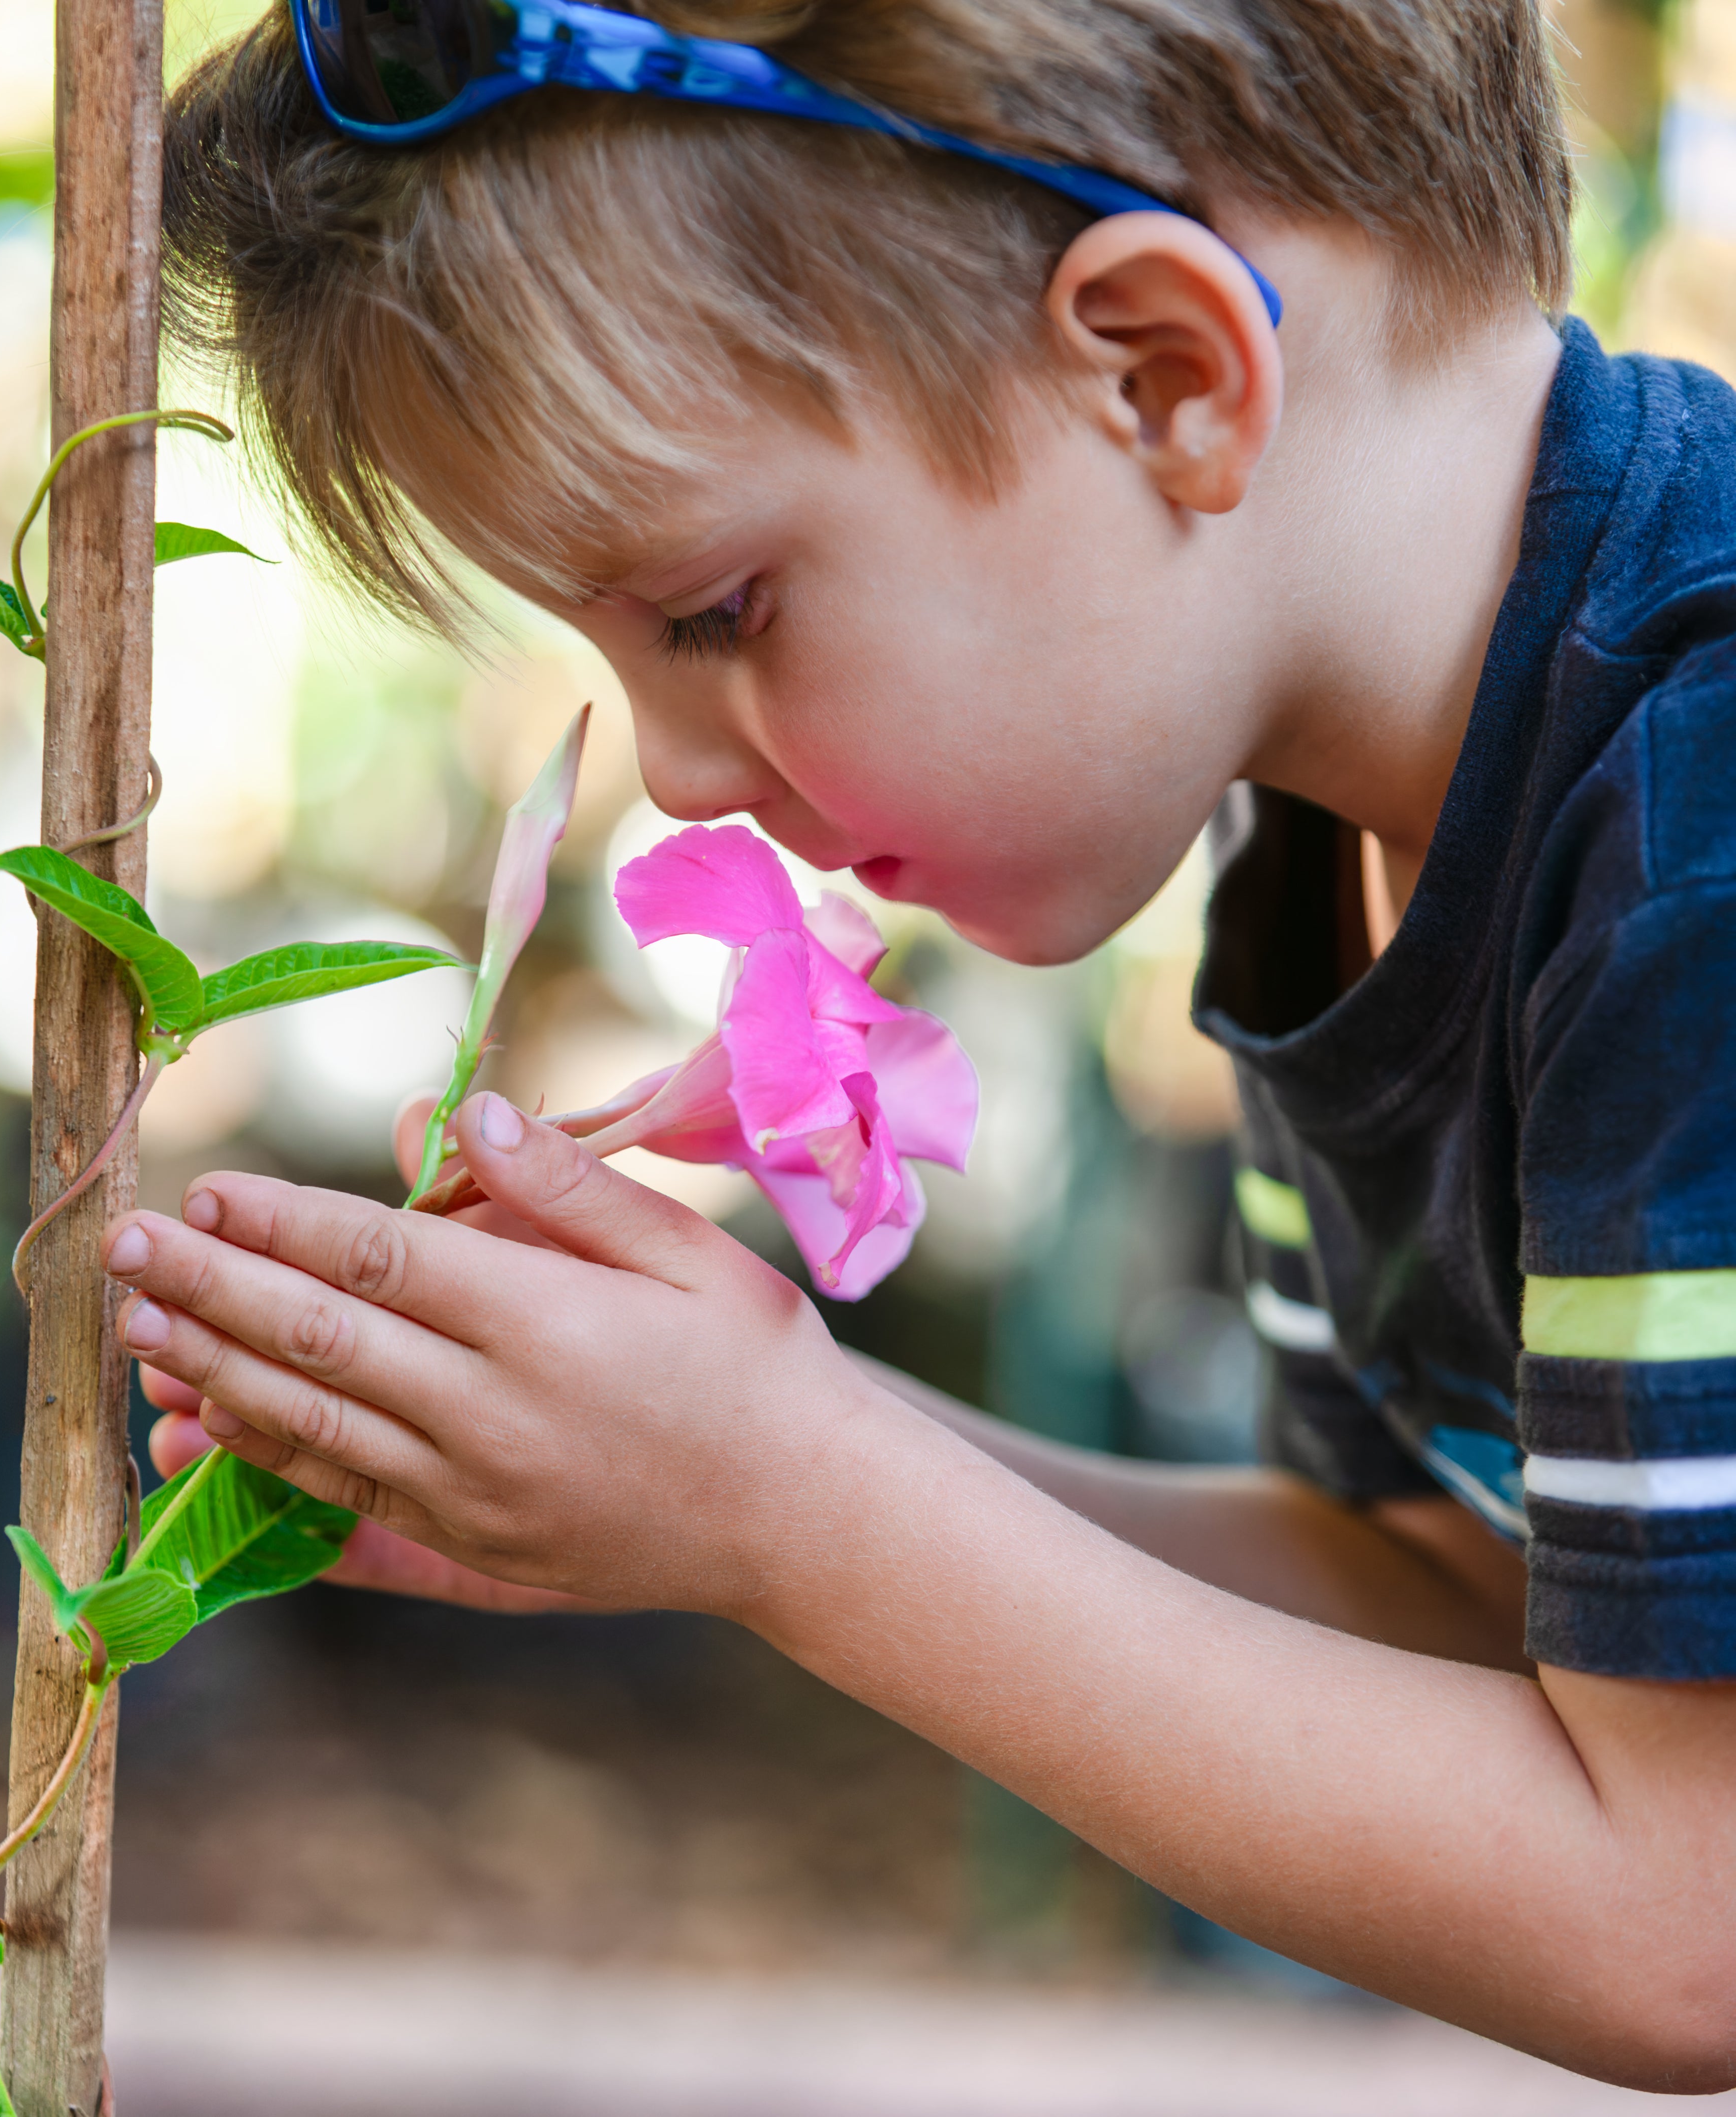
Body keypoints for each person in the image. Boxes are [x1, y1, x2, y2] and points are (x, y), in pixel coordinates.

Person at [118, 0, 1736, 2085]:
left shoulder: (1693, 816)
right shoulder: (1342, 821)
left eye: (715, 609)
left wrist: (802, 1508)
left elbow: (1687, 1912)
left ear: (1161, 372)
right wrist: (708, 1467)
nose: (682, 777)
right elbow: (1468, 1585)